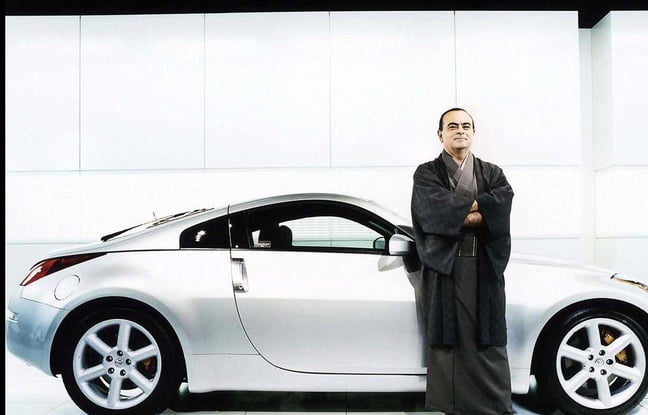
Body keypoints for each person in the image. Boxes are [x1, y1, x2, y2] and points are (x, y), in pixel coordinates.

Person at [411, 108, 515, 415]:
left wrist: (458, 212)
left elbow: (502, 206)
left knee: (488, 334)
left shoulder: (491, 172)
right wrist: (480, 209)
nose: (460, 130)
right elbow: (431, 211)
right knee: (448, 336)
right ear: (440, 134)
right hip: (446, 268)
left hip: (482, 266)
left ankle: (493, 404)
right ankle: (450, 403)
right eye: (452, 126)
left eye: (466, 125)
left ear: (474, 132)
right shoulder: (427, 173)